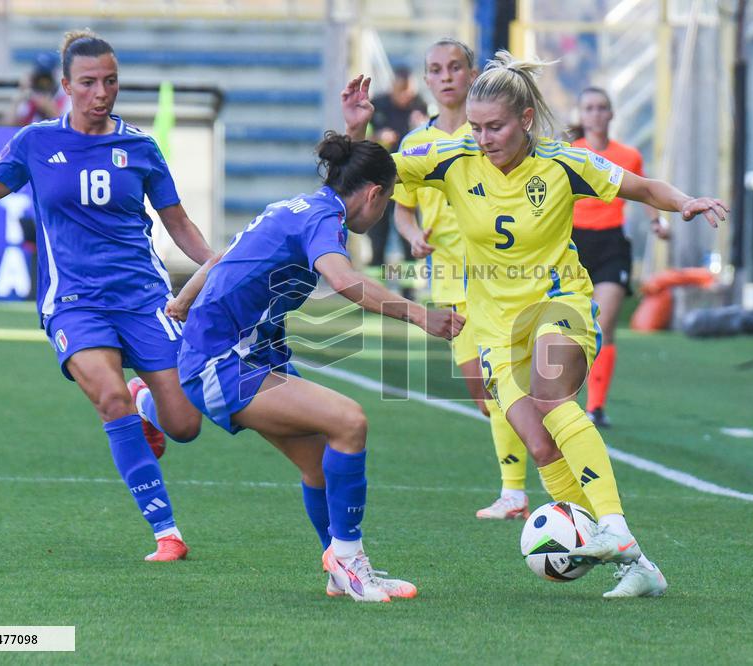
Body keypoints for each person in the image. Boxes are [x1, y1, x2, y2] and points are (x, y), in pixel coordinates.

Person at [342, 52, 727, 598]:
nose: (482, 137)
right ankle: (636, 565)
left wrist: (686, 202)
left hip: (559, 303)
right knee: (542, 449)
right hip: (494, 327)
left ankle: (612, 526)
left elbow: (640, 187)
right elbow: (371, 170)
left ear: (524, 120)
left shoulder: (563, 163)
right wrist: (356, 128)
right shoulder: (450, 158)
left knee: (552, 398)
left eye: (494, 126)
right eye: (475, 127)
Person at [0, 30, 212, 562]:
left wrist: (214, 265)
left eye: (111, 80)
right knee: (108, 398)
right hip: (74, 300)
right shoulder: (36, 142)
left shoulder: (140, 146)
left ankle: (148, 400)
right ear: (66, 87)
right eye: (90, 82)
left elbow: (178, 223)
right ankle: (167, 532)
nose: (102, 92)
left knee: (186, 425)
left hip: (145, 298)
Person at [160, 132, 464, 602]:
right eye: (387, 203)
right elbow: (343, 280)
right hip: (222, 363)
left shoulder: (299, 206)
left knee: (321, 462)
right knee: (349, 421)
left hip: (241, 355)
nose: (383, 213)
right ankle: (348, 561)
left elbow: (225, 257)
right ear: (373, 194)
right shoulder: (326, 218)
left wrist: (183, 299)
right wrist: (420, 313)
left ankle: (342, 566)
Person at [393, 38, 531, 521]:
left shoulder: (488, 136)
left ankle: (516, 490)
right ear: (427, 80)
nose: (446, 75)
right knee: (482, 391)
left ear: (473, 75)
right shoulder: (415, 146)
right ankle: (534, 459)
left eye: (455, 67)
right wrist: (413, 238)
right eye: (436, 69)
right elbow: (403, 210)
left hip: (499, 276)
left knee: (500, 384)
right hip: (449, 281)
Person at [568, 87, 667, 428]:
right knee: (570, 327)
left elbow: (644, 191)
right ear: (580, 115)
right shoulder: (569, 153)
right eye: (589, 108)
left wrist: (658, 222)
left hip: (611, 243)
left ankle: (595, 407)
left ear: (611, 115)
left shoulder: (628, 155)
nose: (595, 114)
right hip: (573, 244)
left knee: (603, 324)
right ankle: (564, 400)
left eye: (602, 108)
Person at [367, 66, 429, 272]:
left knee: (409, 241)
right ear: (393, 87)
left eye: (409, 91)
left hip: (410, 182)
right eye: (402, 91)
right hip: (380, 182)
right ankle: (375, 294)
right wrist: (379, 138)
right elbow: (359, 142)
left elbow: (436, 138)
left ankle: (409, 294)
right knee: (378, 238)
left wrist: (423, 127)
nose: (406, 96)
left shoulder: (422, 106)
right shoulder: (377, 106)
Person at [5, 52, 70, 126]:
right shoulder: (29, 93)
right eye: (40, 77)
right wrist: (20, 95)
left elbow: (66, 125)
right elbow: (9, 124)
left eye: (47, 77)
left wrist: (46, 106)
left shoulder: (64, 94)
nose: (43, 82)